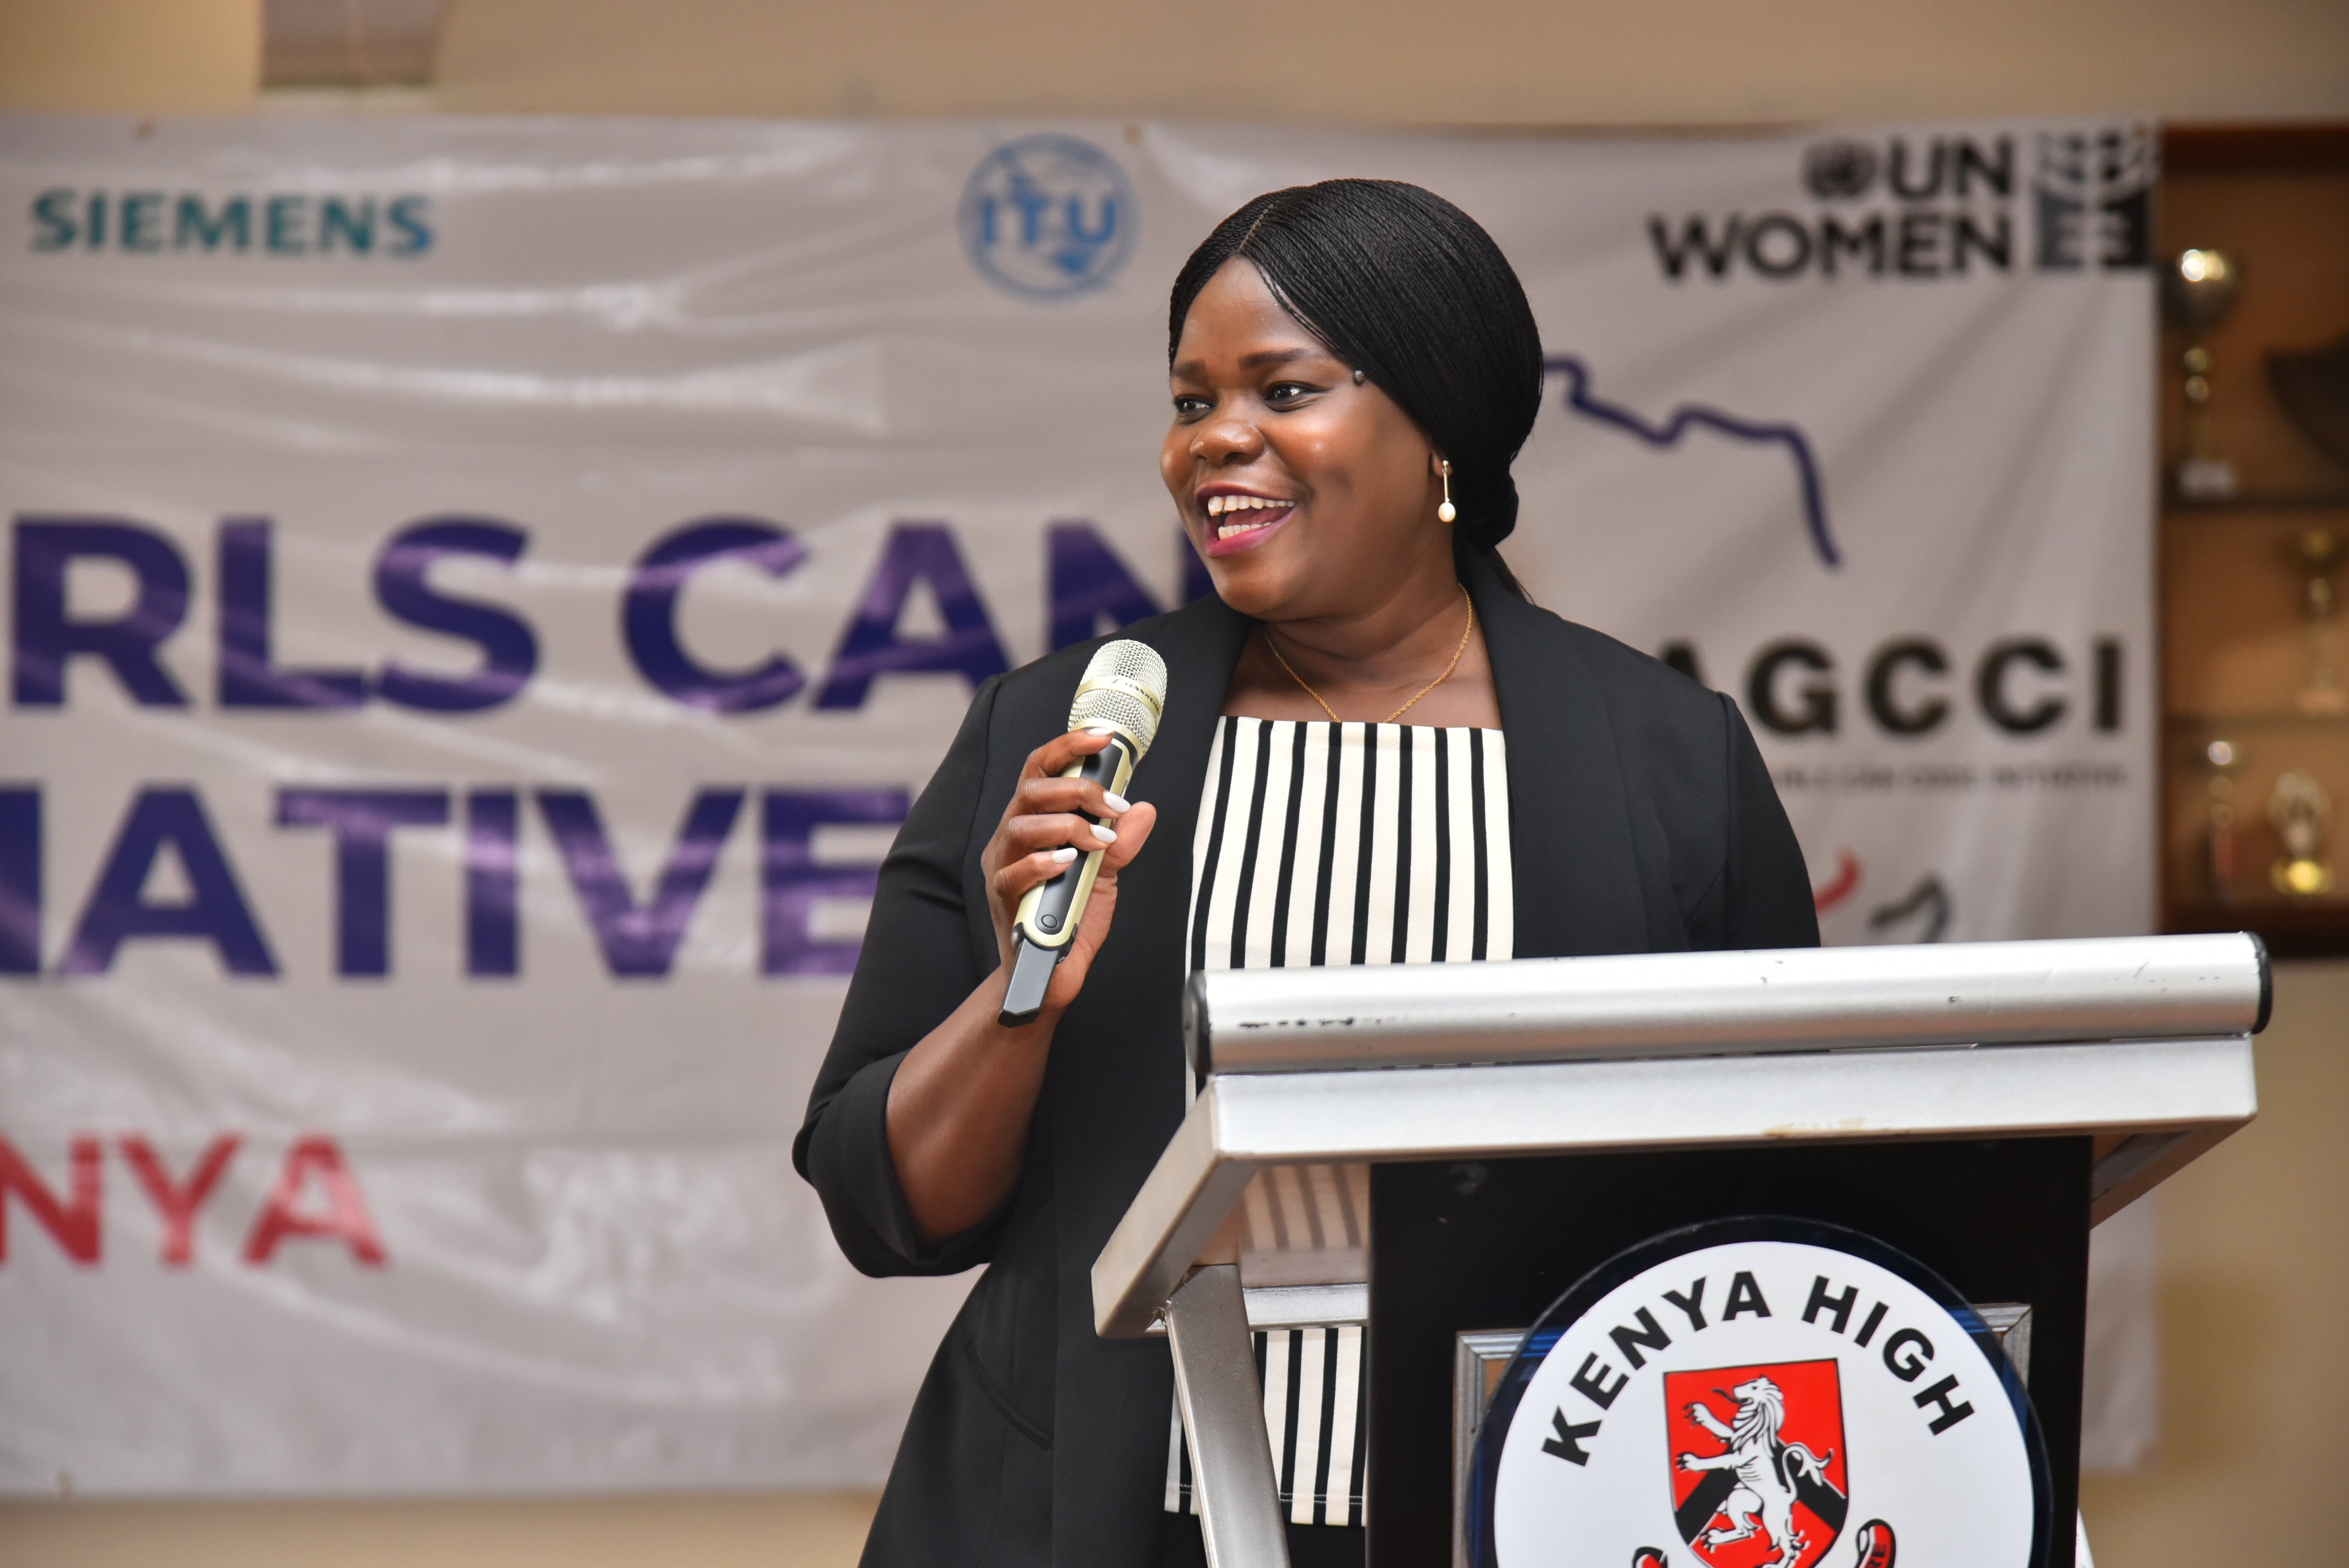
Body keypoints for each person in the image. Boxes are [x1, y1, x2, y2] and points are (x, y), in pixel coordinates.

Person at [795, 178, 1819, 1568]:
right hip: (1100, 1519)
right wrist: (1026, 994)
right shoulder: (1059, 735)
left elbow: (1785, 1195)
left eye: (1284, 390)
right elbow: (888, 1206)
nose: (1219, 441)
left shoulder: (1665, 762)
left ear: (1441, 428)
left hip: (1518, 1508)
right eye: (1189, 400)